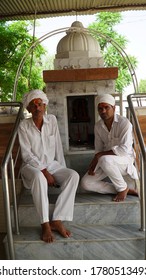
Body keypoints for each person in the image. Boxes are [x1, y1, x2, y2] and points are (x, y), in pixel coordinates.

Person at [18, 89, 79, 243]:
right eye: (33, 105)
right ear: (29, 109)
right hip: (30, 167)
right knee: (39, 177)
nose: (37, 107)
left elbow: (58, 147)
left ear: (45, 106)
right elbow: (26, 155)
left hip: (51, 165)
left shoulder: (51, 120)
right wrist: (44, 172)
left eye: (40, 104)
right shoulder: (23, 126)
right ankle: (45, 223)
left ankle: (57, 219)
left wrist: (61, 171)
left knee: (73, 175)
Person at [80, 93, 138, 202]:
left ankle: (121, 188)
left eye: (107, 107)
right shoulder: (98, 126)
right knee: (86, 183)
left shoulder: (124, 123)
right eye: (100, 108)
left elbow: (124, 150)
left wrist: (99, 156)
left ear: (114, 108)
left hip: (124, 161)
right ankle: (126, 189)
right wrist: (94, 163)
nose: (103, 111)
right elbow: (98, 149)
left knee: (104, 159)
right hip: (106, 162)